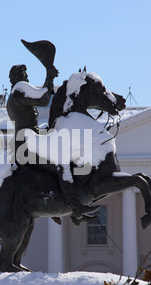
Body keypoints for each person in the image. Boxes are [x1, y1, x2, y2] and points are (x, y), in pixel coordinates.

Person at [6, 64, 99, 220]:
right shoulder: (19, 90)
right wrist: (49, 77)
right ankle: (75, 209)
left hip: (28, 141)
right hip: (27, 145)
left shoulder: (15, 94)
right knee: (61, 164)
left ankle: (69, 205)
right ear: (17, 77)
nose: (27, 77)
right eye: (24, 74)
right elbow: (43, 99)